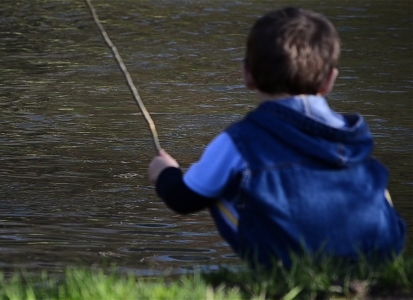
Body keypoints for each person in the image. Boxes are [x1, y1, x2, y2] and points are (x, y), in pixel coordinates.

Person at [148, 7, 406, 267]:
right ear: (329, 81)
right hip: (378, 257)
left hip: (288, 261)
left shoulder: (239, 140)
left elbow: (183, 199)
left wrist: (166, 173)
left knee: (220, 187)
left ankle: (282, 266)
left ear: (247, 74)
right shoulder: (353, 134)